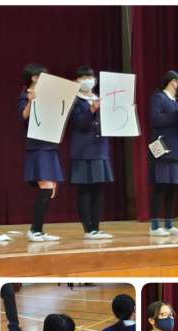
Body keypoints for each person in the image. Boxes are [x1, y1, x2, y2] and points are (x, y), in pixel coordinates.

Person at [18, 63, 62, 242]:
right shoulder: (26, 93)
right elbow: (23, 116)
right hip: (37, 147)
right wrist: (31, 100)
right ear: (34, 77)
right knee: (46, 188)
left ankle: (39, 230)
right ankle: (34, 230)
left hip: (50, 146)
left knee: (50, 190)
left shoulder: (49, 95)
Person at [69, 65, 114, 239]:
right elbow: (78, 123)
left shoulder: (101, 98)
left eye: (90, 77)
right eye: (83, 78)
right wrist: (91, 110)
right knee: (85, 190)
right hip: (83, 151)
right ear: (76, 81)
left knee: (98, 190)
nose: (88, 80)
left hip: (100, 149)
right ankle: (88, 230)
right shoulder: (74, 100)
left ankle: (96, 227)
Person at [148, 70, 178, 237]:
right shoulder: (159, 97)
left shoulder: (176, 102)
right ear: (173, 82)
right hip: (163, 149)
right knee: (161, 186)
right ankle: (155, 226)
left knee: (173, 188)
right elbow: (156, 120)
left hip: (177, 149)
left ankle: (170, 224)